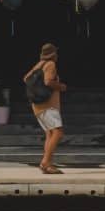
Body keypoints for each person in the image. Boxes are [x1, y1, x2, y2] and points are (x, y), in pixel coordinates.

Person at [28, 43, 66, 175]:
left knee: (50, 134)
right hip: (48, 105)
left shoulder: (39, 65)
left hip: (38, 105)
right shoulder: (50, 65)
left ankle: (46, 163)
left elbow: (26, 78)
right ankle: (46, 163)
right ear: (53, 54)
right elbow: (48, 81)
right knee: (58, 132)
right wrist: (61, 86)